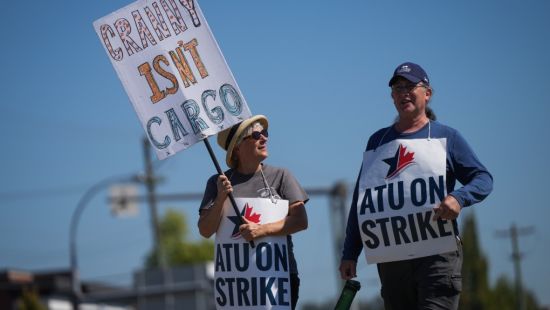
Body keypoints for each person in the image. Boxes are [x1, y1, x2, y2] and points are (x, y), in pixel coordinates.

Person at [339, 62, 493, 309]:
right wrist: (350, 253)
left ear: (427, 93)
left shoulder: (446, 137)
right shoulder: (377, 142)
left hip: (437, 257)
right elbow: (362, 201)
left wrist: (459, 198)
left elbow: (483, 179)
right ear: (392, 97)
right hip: (392, 261)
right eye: (398, 88)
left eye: (411, 86)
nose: (404, 93)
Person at [198, 115, 309, 309]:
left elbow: (300, 221)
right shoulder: (217, 182)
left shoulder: (281, 176)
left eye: (265, 133)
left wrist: (262, 230)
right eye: (256, 134)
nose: (264, 138)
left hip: (279, 278)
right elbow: (205, 230)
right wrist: (221, 197)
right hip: (237, 285)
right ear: (237, 147)